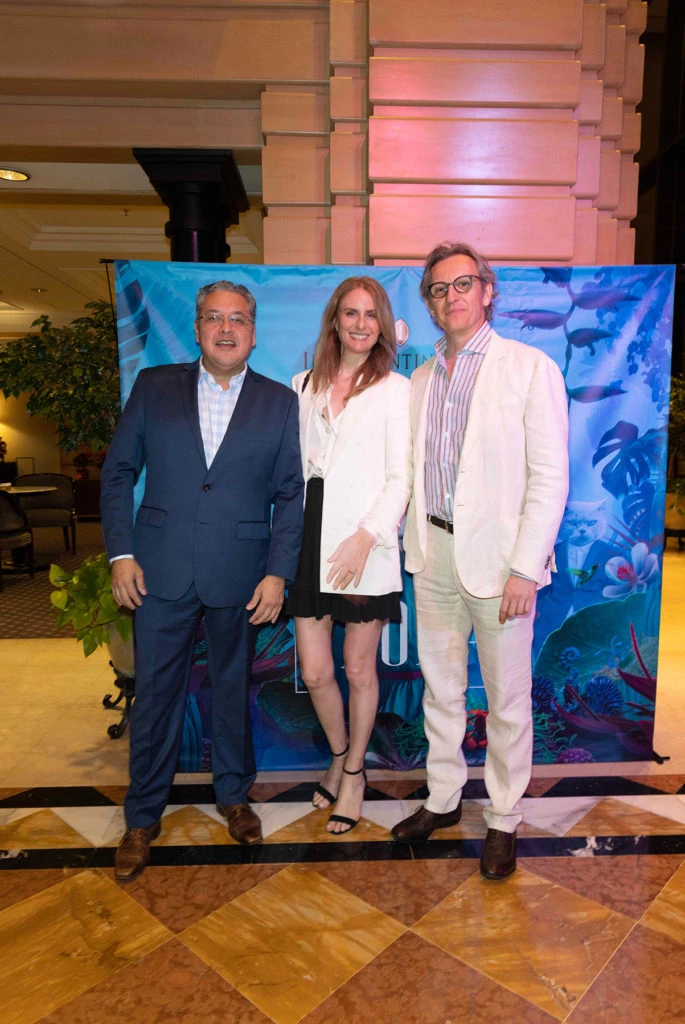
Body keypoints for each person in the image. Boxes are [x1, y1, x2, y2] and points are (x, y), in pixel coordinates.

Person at [101, 280, 303, 881]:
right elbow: (117, 474)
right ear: (196, 327)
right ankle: (142, 818)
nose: (225, 328)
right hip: (157, 571)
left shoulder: (278, 402)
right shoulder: (154, 386)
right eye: (213, 317)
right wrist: (121, 555)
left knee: (232, 690)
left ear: (253, 331)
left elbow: (291, 494)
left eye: (237, 319)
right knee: (157, 696)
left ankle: (234, 798)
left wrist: (277, 574)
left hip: (241, 576)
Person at [392, 242, 569, 879]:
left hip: (500, 569)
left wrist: (526, 567)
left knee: (506, 700)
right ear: (432, 305)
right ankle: (442, 800)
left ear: (487, 290)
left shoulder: (529, 368)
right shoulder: (419, 378)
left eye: (463, 283)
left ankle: (502, 817)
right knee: (439, 691)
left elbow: (550, 477)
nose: (451, 297)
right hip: (433, 556)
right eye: (439, 290)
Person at [286, 276, 410, 834]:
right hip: (310, 534)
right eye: (350, 313)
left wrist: (367, 535)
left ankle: (355, 773)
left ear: (382, 324)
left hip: (366, 541)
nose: (360, 323)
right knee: (315, 671)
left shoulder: (396, 389)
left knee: (359, 667)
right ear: (334, 320)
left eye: (371, 314)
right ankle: (338, 754)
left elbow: (400, 477)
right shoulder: (303, 385)